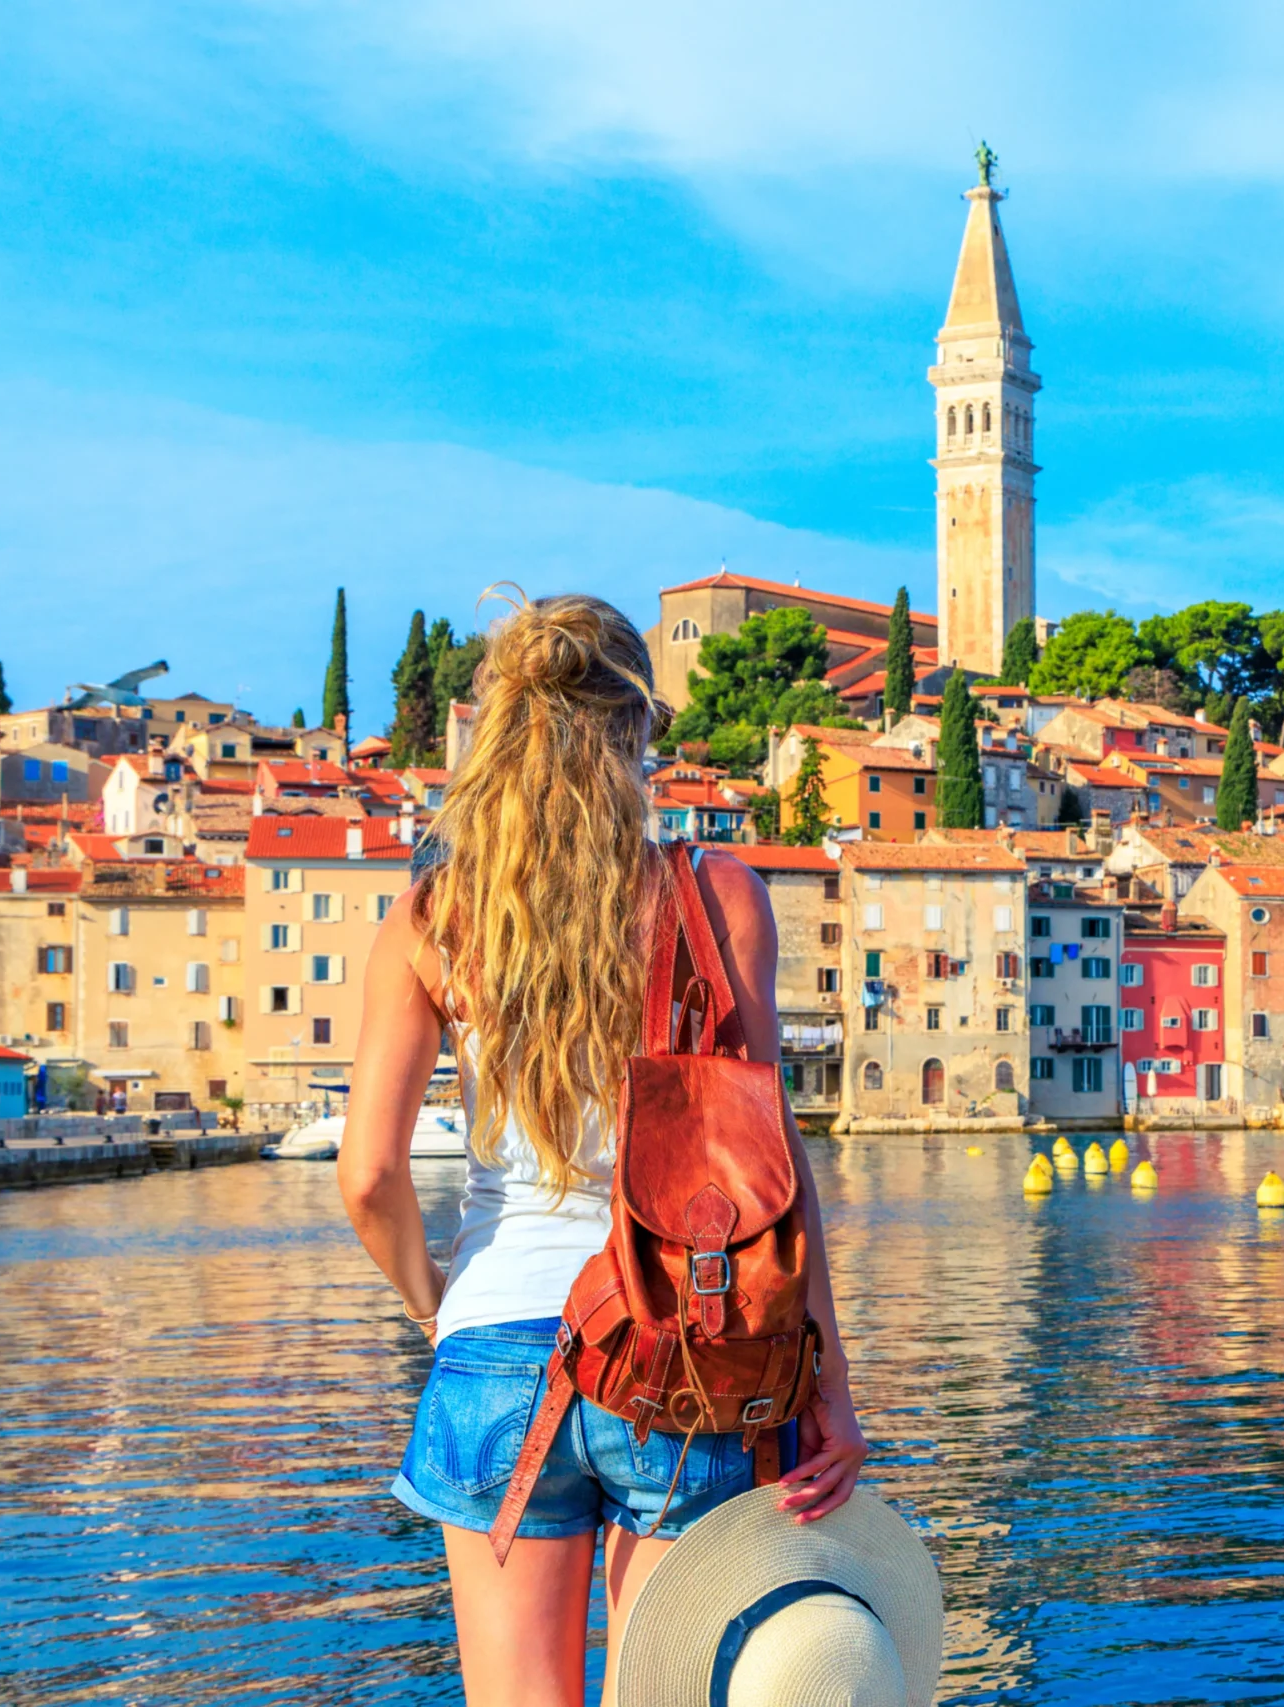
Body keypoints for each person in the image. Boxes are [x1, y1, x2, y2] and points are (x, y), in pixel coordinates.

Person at [337, 593, 868, 1706]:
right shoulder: (716, 895)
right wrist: (828, 1379)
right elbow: (774, 1168)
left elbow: (370, 1177)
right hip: (681, 1343)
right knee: (661, 1690)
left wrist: (437, 1305)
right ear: (638, 731)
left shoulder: (436, 917)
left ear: (499, 731)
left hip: (494, 1345)